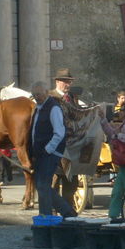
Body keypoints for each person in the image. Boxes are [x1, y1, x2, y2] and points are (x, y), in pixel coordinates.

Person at [29, 81, 76, 218]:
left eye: (39, 94)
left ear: (46, 93)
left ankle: (46, 219)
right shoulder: (39, 108)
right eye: (34, 95)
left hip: (50, 153)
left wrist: (48, 149)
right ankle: (67, 212)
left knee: (43, 186)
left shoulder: (53, 108)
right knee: (42, 186)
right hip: (40, 154)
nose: (37, 97)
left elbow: (59, 132)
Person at [49, 68, 78, 208]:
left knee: (71, 182)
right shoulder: (49, 97)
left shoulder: (72, 97)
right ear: (57, 81)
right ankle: (54, 211)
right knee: (54, 180)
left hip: (71, 146)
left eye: (70, 82)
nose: (68, 84)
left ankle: (68, 210)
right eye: (66, 81)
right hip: (55, 146)